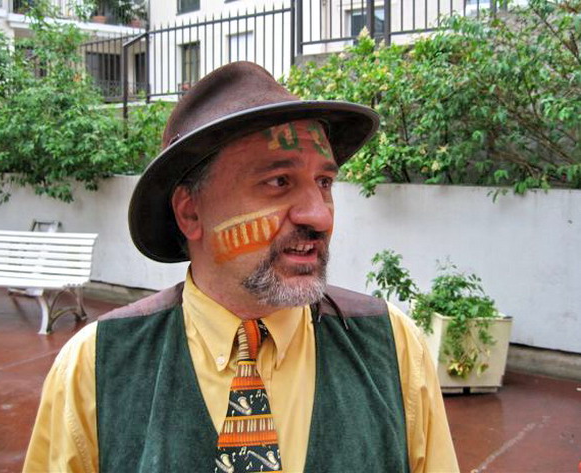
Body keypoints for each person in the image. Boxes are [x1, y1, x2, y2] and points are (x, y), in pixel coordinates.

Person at [23, 61, 458, 473]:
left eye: (324, 182)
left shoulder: (392, 347)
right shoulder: (96, 367)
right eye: (279, 181)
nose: (319, 216)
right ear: (191, 212)